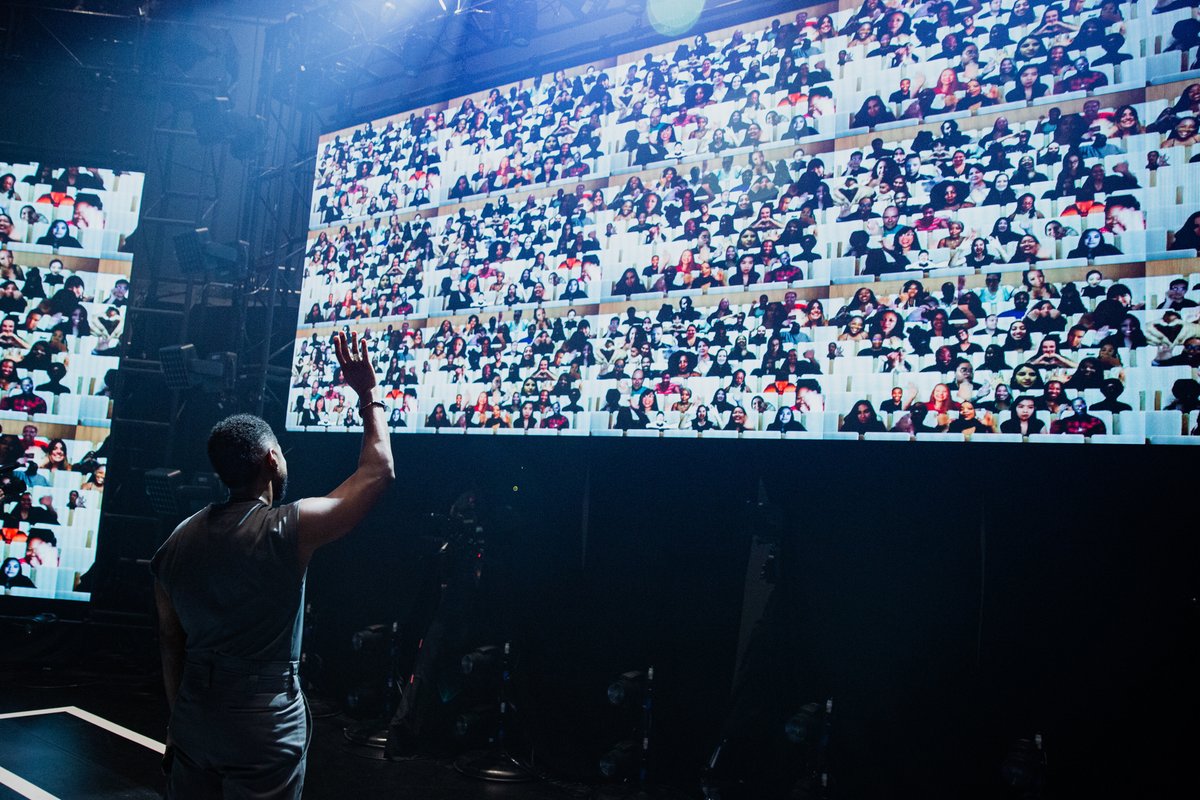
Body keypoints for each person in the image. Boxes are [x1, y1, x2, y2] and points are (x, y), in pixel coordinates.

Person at [153, 331, 395, 799]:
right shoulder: (287, 527)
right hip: (263, 715)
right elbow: (378, 472)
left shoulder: (174, 543)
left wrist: (176, 725)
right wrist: (369, 396)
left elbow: (170, 644)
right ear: (271, 458)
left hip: (192, 714)